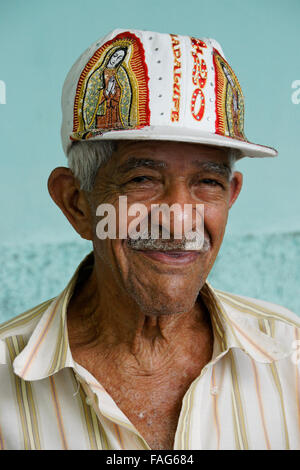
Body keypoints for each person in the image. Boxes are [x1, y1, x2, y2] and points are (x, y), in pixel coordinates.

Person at [0, 28, 299, 451]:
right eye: (142, 179)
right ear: (76, 203)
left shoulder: (291, 357)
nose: (178, 223)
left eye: (207, 182)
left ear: (231, 197)